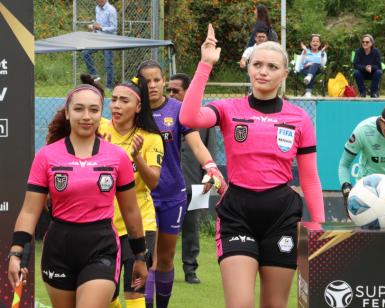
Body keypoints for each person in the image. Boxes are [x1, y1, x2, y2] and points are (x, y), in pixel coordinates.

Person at [180, 24, 325, 307]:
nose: (263, 71)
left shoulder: (299, 119)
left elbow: (310, 178)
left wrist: (317, 226)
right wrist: (205, 64)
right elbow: (189, 118)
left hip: (281, 216)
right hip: (237, 215)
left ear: (285, 73)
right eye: (257, 64)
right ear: (248, 67)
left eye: (272, 66)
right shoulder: (227, 108)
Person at [7, 77, 147, 307]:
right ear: (68, 113)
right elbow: (30, 211)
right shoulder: (46, 156)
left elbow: (131, 210)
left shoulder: (117, 157)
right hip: (58, 249)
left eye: (94, 110)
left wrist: (140, 256)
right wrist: (16, 252)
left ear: (101, 114)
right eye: (79, 109)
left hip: (101, 247)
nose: (86, 116)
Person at [138, 59, 226, 308]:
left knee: (165, 258)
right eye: (147, 81)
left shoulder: (177, 109)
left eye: (157, 80)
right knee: (144, 257)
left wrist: (211, 167)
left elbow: (197, 145)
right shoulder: (133, 108)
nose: (153, 85)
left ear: (163, 81)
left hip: (172, 195)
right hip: (141, 196)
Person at [99, 76, 164, 308]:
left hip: (139, 223)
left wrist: (137, 156)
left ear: (138, 107)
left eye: (124, 101)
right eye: (114, 99)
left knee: (135, 292)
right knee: (106, 294)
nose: (116, 105)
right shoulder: (99, 129)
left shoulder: (150, 138)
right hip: (105, 223)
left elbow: (154, 182)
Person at [166, 73, 217, 284]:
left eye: (175, 91)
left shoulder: (202, 118)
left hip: (195, 184)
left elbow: (209, 150)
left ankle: (190, 271)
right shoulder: (162, 116)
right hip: (167, 186)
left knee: (192, 229)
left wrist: (208, 179)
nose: (171, 94)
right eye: (169, 90)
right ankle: (159, 268)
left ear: (187, 92)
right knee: (160, 229)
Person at [82, 0, 117, 88]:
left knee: (108, 64)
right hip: (98, 38)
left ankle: (109, 87)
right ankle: (94, 75)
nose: (98, 1)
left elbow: (114, 28)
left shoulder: (111, 10)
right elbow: (98, 24)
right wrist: (94, 27)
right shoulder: (97, 8)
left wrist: (101, 28)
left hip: (109, 40)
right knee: (86, 52)